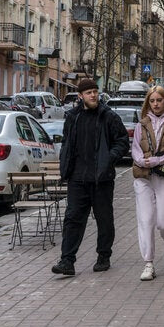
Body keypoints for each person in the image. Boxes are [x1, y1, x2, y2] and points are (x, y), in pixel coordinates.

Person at [52, 78, 129, 276]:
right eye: (88, 92)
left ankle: (104, 256)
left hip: (101, 178)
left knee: (104, 219)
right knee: (72, 219)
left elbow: (122, 142)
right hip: (77, 178)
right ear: (80, 96)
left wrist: (108, 159)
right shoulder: (72, 117)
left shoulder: (108, 117)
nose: (93, 95)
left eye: (95, 91)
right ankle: (67, 261)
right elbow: (67, 143)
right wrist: (65, 165)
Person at [131, 86, 164, 281]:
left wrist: (157, 161)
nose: (155, 104)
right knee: (145, 220)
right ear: (148, 103)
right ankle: (148, 263)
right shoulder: (142, 124)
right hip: (143, 177)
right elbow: (135, 147)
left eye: (158, 100)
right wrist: (140, 160)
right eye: (152, 101)